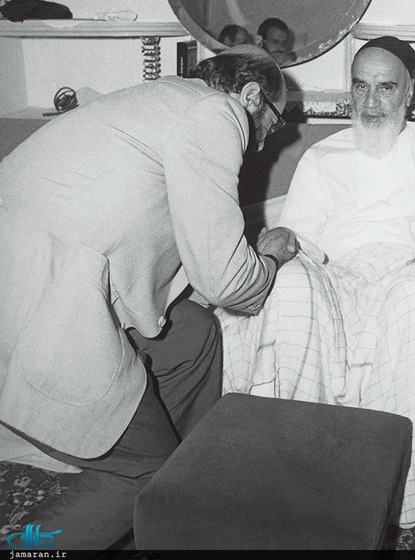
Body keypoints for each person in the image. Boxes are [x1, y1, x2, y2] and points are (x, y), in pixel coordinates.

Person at [216, 36, 415, 529]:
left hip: (409, 271)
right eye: (361, 86)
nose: (371, 101)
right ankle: (299, 477)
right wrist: (281, 244)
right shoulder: (323, 157)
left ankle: (395, 497)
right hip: (336, 276)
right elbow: (301, 238)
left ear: (409, 92)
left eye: (385, 88)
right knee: (291, 288)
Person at [0, 46, 298, 550]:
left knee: (193, 335)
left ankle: (178, 499)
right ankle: (32, 547)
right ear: (251, 96)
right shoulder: (216, 114)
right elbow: (227, 283)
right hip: (38, 303)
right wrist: (269, 259)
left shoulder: (166, 97)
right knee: (141, 470)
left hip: (26, 271)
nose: (268, 138)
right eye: (274, 119)